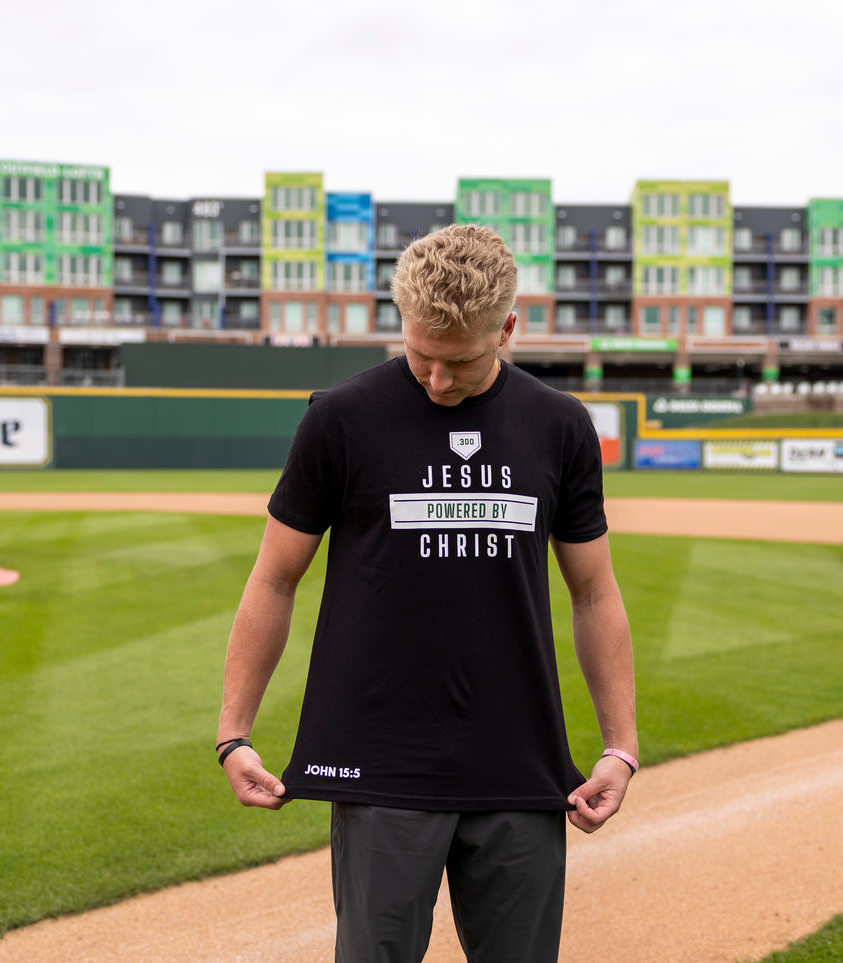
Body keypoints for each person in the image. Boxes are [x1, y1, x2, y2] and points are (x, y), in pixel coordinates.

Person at [216, 223, 637, 962]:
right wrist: (234, 732)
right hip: (382, 764)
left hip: (520, 764)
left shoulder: (559, 427)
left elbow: (594, 594)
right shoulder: (339, 418)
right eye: (419, 356)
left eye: (461, 361)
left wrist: (620, 747)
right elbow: (274, 577)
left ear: (508, 327)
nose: (437, 382)